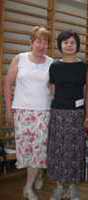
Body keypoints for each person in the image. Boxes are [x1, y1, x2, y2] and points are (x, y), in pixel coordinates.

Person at [4, 26, 53, 200]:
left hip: (43, 112)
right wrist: (8, 109)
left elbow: (53, 89)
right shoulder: (20, 59)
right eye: (38, 41)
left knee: (39, 151)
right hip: (22, 111)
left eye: (45, 42)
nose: (42, 45)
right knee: (26, 151)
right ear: (32, 42)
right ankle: (37, 173)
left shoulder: (51, 63)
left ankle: (28, 187)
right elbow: (8, 83)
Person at [47, 30, 88, 200]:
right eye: (65, 42)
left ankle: (72, 187)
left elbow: (87, 91)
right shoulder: (54, 66)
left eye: (72, 42)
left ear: (77, 45)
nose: (69, 45)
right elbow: (52, 90)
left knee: (75, 151)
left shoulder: (84, 67)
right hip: (58, 113)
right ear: (60, 45)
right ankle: (58, 186)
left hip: (77, 114)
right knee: (57, 150)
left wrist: (87, 114)